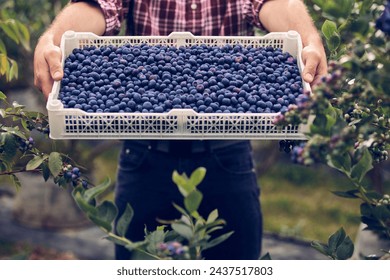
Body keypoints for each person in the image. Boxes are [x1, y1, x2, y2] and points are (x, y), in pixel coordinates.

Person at [34, 0, 327, 260]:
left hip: (227, 154)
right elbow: (98, 5)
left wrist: (309, 38)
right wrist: (54, 40)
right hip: (145, 155)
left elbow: (274, 3)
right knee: (139, 262)